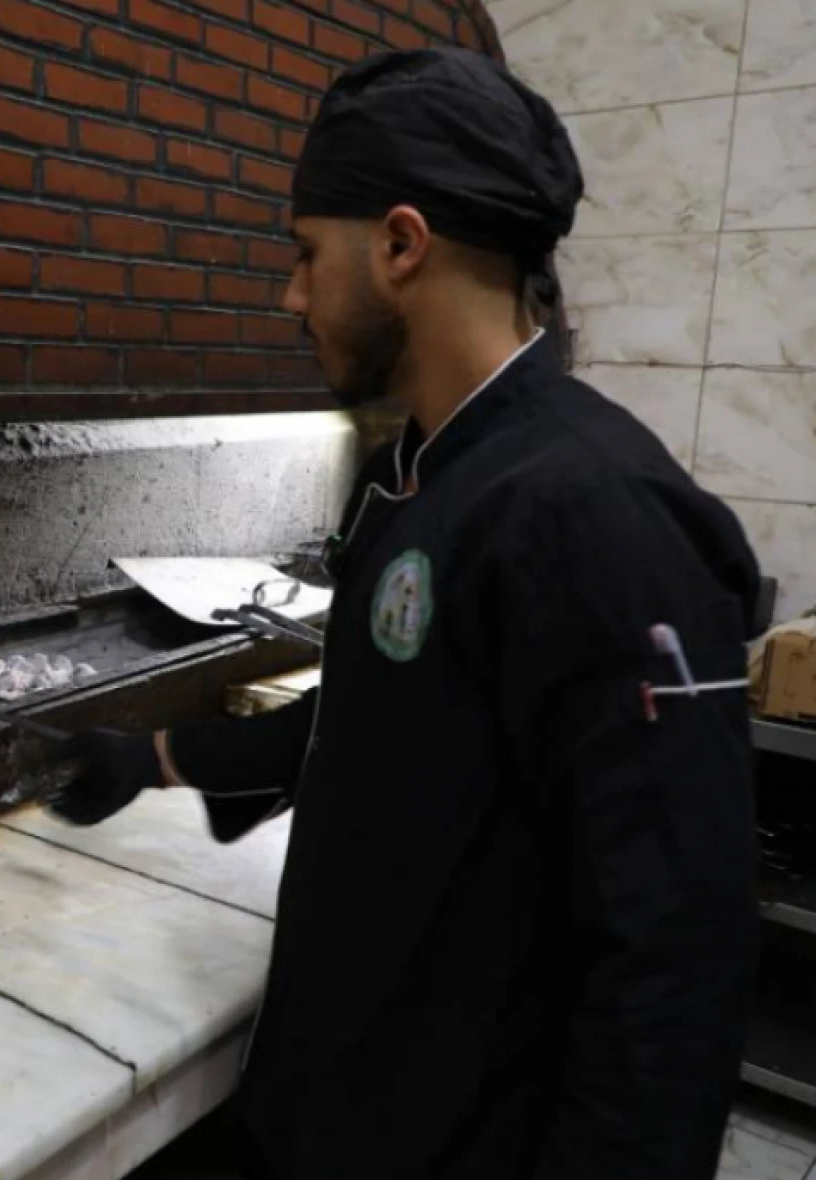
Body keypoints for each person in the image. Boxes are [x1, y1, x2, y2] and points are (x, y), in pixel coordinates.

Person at [54, 48, 762, 1180]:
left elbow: (673, 954)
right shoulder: (418, 474)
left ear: (396, 245)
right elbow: (381, 724)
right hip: (334, 1102)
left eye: (301, 254)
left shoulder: (590, 512)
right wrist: (155, 754)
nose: (288, 294)